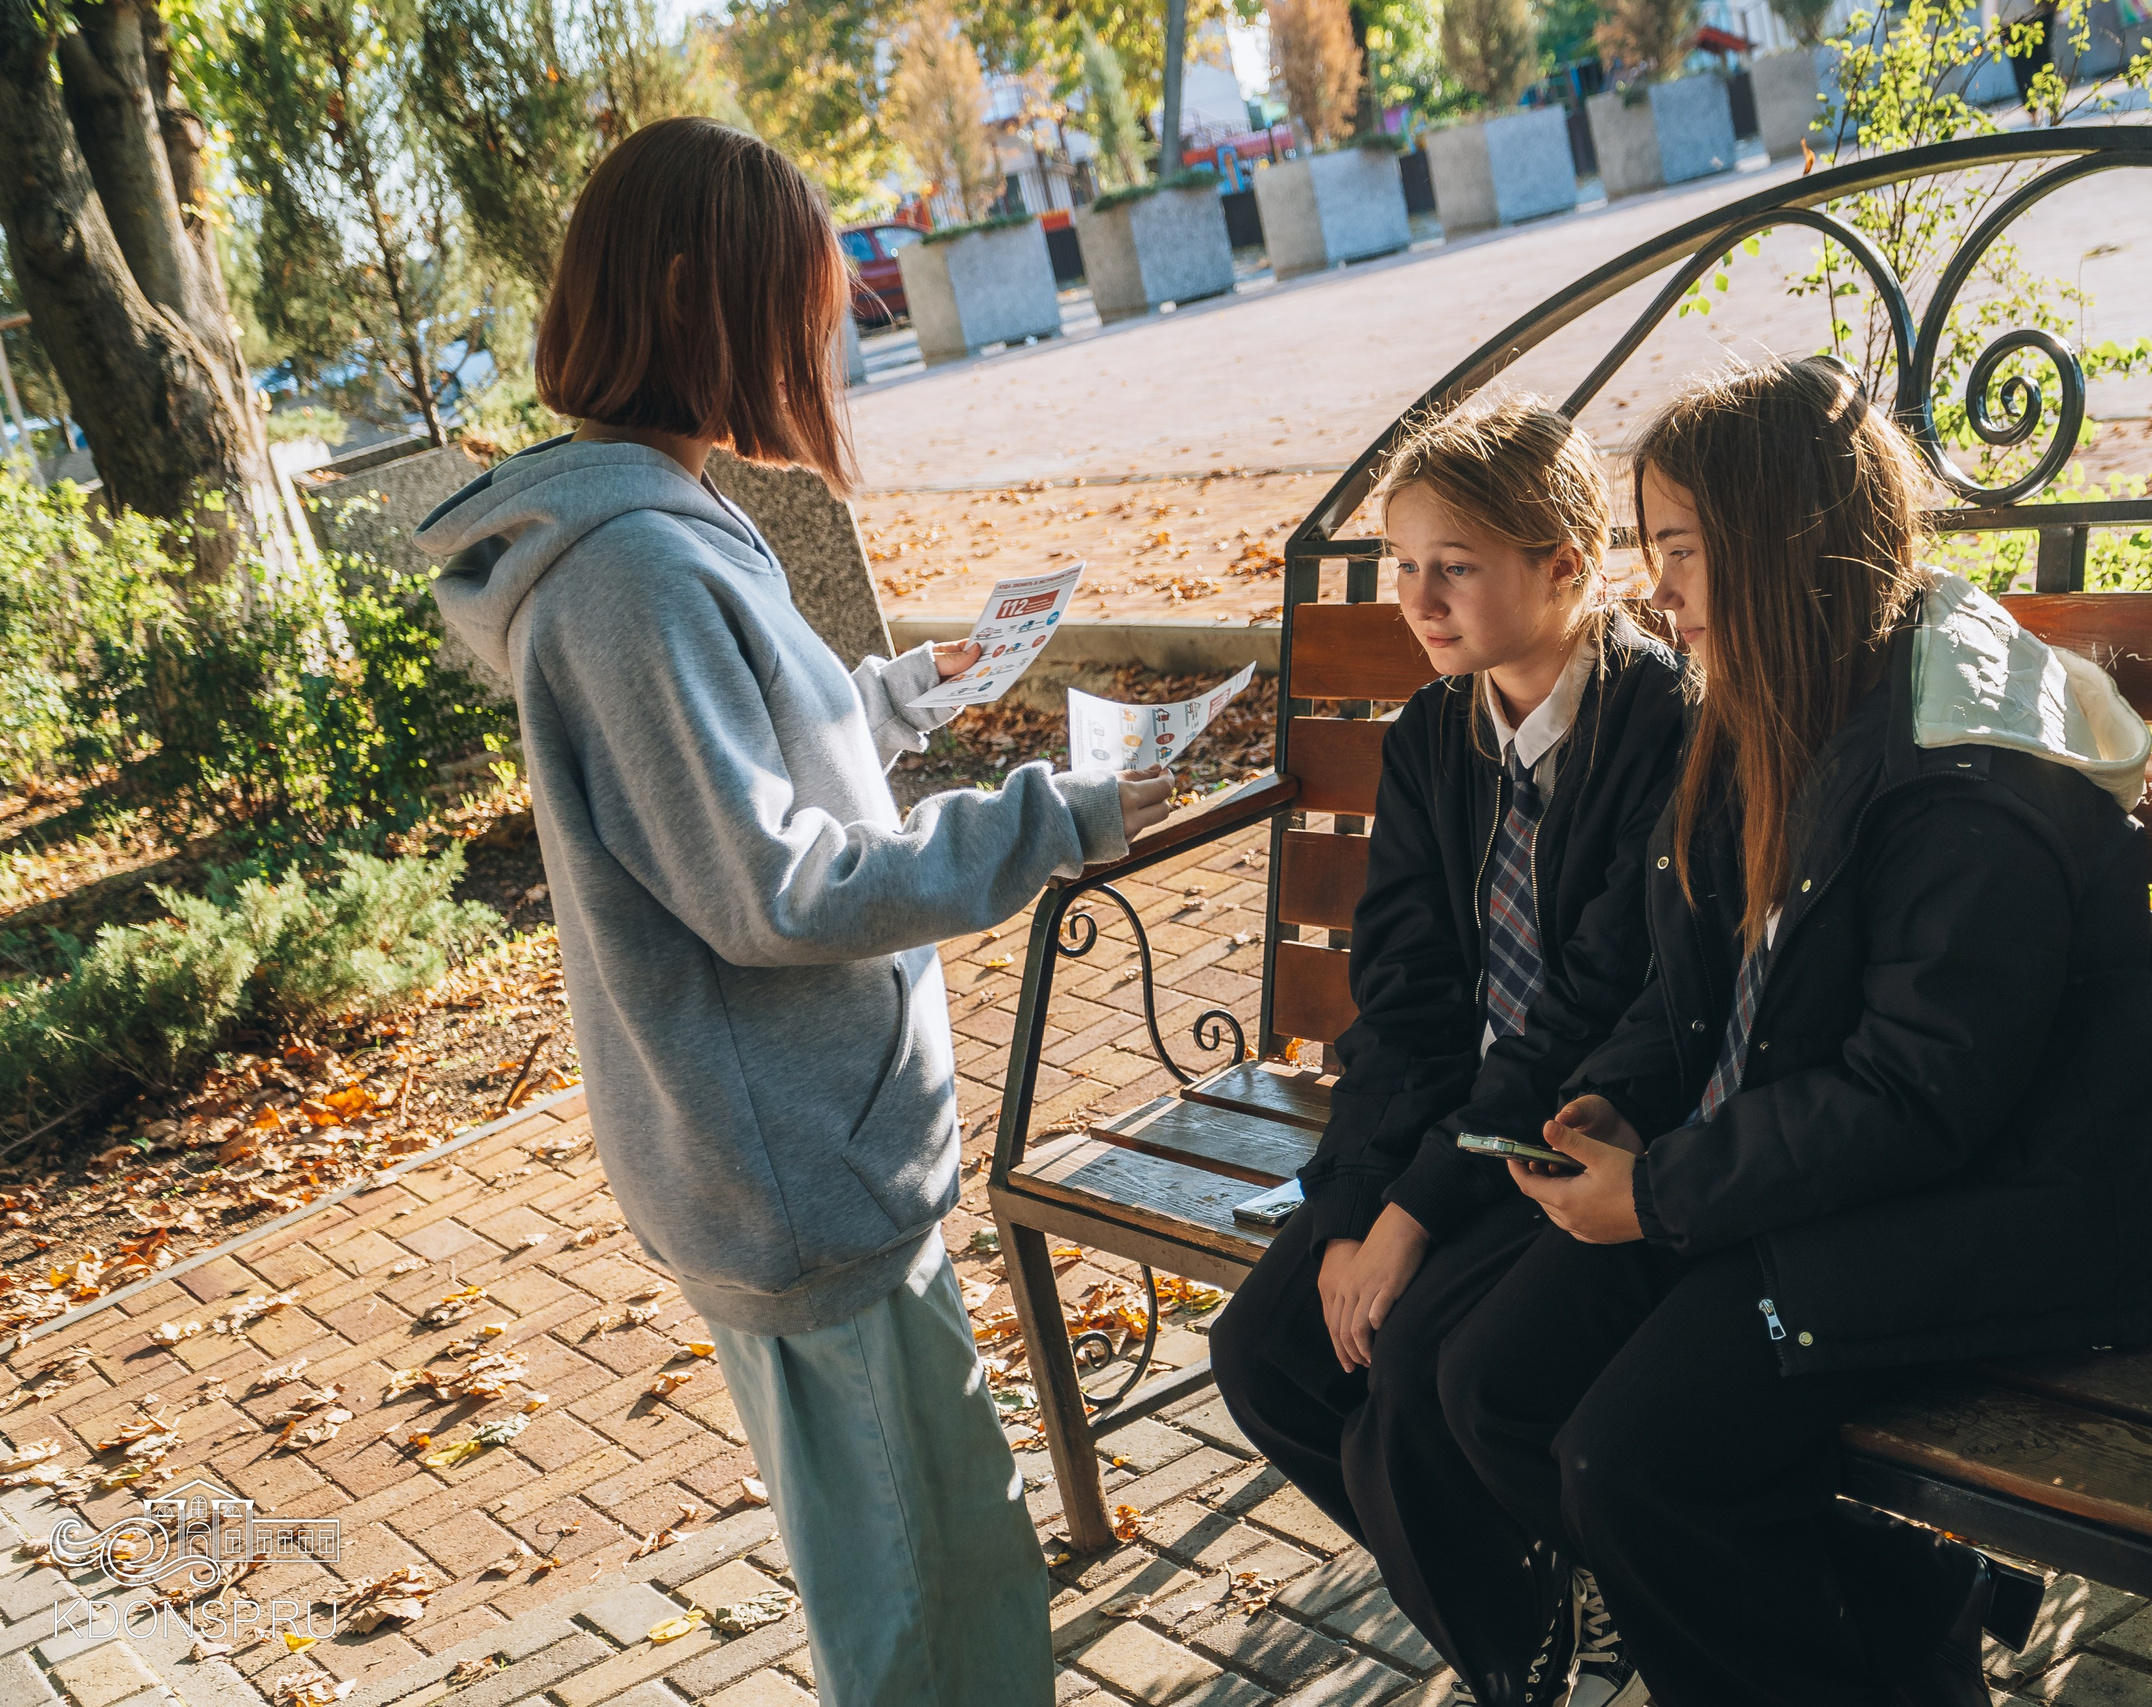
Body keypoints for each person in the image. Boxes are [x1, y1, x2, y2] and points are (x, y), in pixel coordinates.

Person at [417, 118, 1173, 1707]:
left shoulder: (651, 516)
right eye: (796, 297)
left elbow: (736, 781)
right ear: (696, 297)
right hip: (801, 1179)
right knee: (930, 1598)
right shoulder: (632, 572)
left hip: (814, 1157)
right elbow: (771, 889)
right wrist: (1060, 818)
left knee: (942, 1557)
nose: (822, 336)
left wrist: (895, 699)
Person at [1412, 357, 2152, 1707]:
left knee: (1627, 1463)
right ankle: (1906, 1610)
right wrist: (1610, 1109)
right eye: (1652, 551)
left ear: (1782, 548)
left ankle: (1855, 1658)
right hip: (1804, 1170)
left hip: (1997, 1208)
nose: (1655, 594)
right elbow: (1688, 970)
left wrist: (1657, 1193)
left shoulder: (1968, 773)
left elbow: (1918, 1097)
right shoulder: (1776, 700)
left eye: (1679, 553)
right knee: (1491, 1385)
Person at [1209, 397, 1690, 1706]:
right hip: (1453, 1125)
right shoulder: (1434, 736)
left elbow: (1590, 1007)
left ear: (1565, 566)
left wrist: (1416, 1212)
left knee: (1416, 1394)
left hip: (1574, 1132)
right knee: (1267, 1357)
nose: (1418, 599)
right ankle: (1531, 1615)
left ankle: (1530, 1654)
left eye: (1454, 567)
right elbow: (1405, 993)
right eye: (1402, 565)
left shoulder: (1659, 725)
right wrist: (1357, 1203)